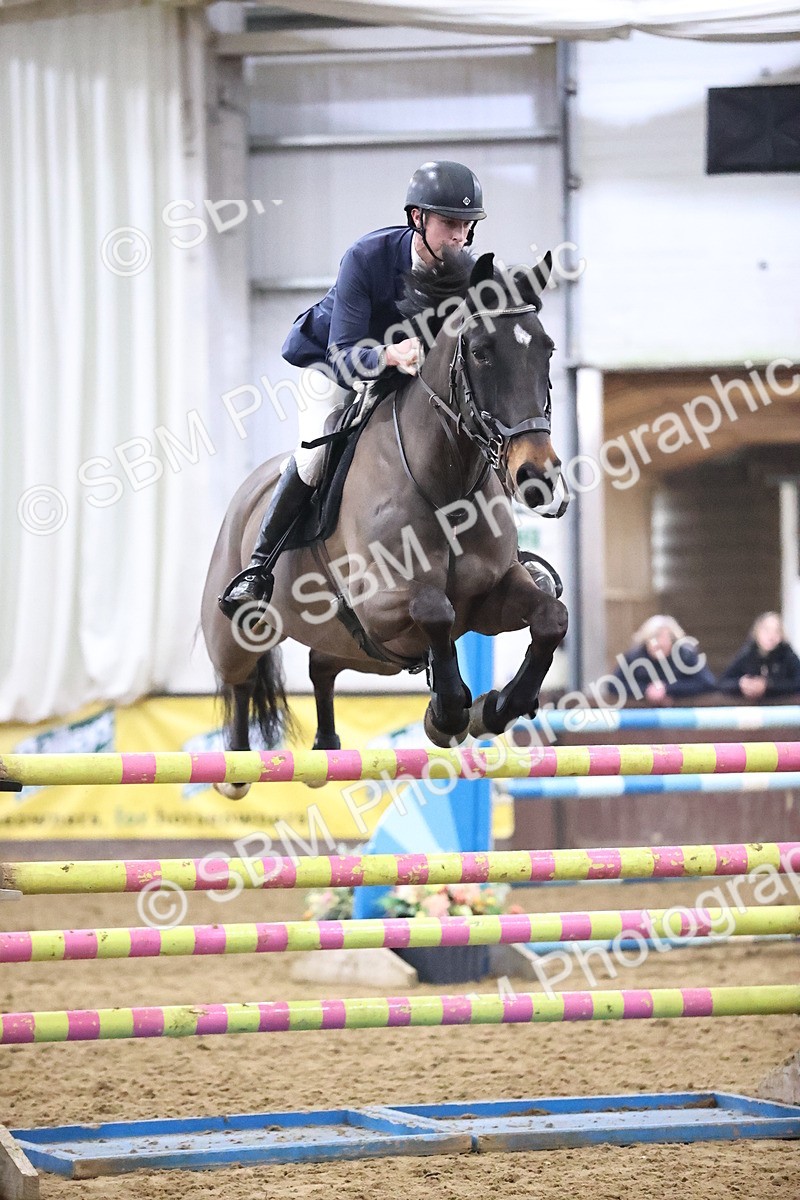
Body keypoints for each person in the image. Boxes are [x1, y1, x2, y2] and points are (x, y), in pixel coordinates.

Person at [219, 160, 487, 619]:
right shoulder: (366, 257)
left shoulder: (464, 270)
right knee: (315, 456)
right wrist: (387, 356)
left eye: (467, 226)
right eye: (448, 224)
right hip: (334, 365)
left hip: (406, 376)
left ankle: (509, 557)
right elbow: (344, 352)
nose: (459, 237)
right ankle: (259, 569)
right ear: (417, 218)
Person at [606, 614, 717, 706]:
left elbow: (707, 683)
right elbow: (613, 685)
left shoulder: (686, 656)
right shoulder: (635, 656)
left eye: (663, 638)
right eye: (653, 638)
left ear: (672, 640)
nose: (658, 643)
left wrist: (667, 689)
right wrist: (646, 691)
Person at [718, 611, 800, 699]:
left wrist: (769, 685)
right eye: (766, 630)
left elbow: (797, 682)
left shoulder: (787, 655)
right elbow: (723, 682)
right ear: (757, 632)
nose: (771, 636)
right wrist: (741, 684)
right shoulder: (748, 654)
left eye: (777, 631)